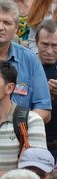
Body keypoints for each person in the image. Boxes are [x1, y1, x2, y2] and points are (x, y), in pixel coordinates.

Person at [32, 20, 57, 158]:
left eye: (54, 45)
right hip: (32, 146)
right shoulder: (26, 68)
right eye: (45, 44)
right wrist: (40, 93)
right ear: (36, 43)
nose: (49, 50)